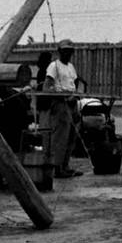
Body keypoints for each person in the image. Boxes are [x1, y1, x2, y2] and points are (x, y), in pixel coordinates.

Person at [43, 39, 82, 179]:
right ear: (59, 52)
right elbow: (46, 88)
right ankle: (57, 168)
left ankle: (66, 165)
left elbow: (75, 84)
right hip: (60, 103)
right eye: (65, 51)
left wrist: (74, 96)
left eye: (70, 51)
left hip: (72, 103)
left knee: (71, 136)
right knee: (60, 137)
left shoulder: (71, 67)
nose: (67, 54)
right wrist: (62, 95)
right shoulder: (54, 66)